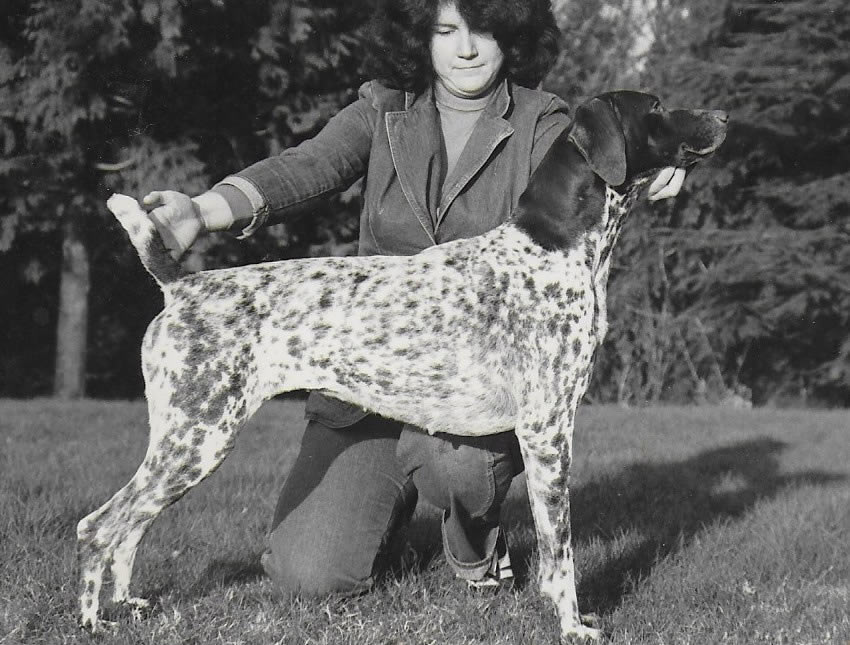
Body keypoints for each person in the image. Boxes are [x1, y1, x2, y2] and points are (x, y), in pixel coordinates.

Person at [142, 0, 685, 596]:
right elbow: (308, 166)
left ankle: (476, 546)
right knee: (309, 574)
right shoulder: (382, 108)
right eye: (446, 30)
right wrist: (203, 210)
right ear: (420, 36)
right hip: (366, 387)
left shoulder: (544, 123)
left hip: (466, 393)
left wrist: (657, 164)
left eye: (482, 30)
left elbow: (603, 163)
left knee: (459, 468)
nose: (466, 48)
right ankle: (390, 519)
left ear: (513, 36)